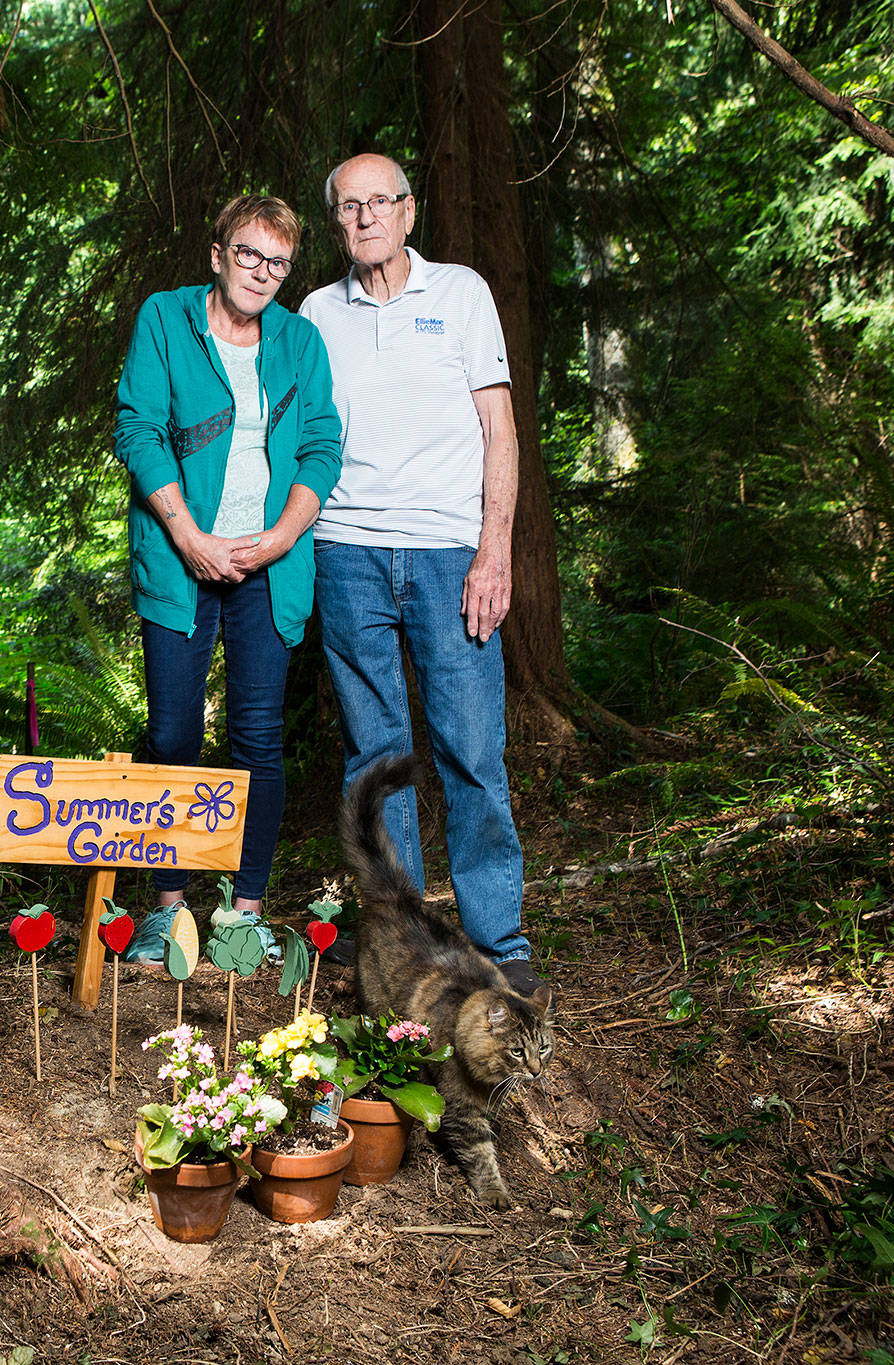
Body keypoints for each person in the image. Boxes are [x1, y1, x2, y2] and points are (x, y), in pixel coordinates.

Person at [299, 153, 537, 993]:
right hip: (348, 554)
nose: (365, 218)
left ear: (408, 212)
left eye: (380, 203)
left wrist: (494, 549)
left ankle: (498, 942)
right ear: (337, 224)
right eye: (348, 207)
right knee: (377, 756)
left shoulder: (462, 294)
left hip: (449, 555)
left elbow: (499, 432)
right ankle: (401, 947)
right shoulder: (315, 312)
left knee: (472, 748)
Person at [111, 194, 343, 956]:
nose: (263, 272)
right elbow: (139, 428)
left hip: (269, 566)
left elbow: (320, 446)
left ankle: (241, 914)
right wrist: (188, 534)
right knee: (174, 732)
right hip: (183, 562)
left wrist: (278, 538)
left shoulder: (300, 341)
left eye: (278, 262)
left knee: (256, 738)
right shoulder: (166, 318)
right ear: (218, 253)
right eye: (250, 254)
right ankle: (169, 910)